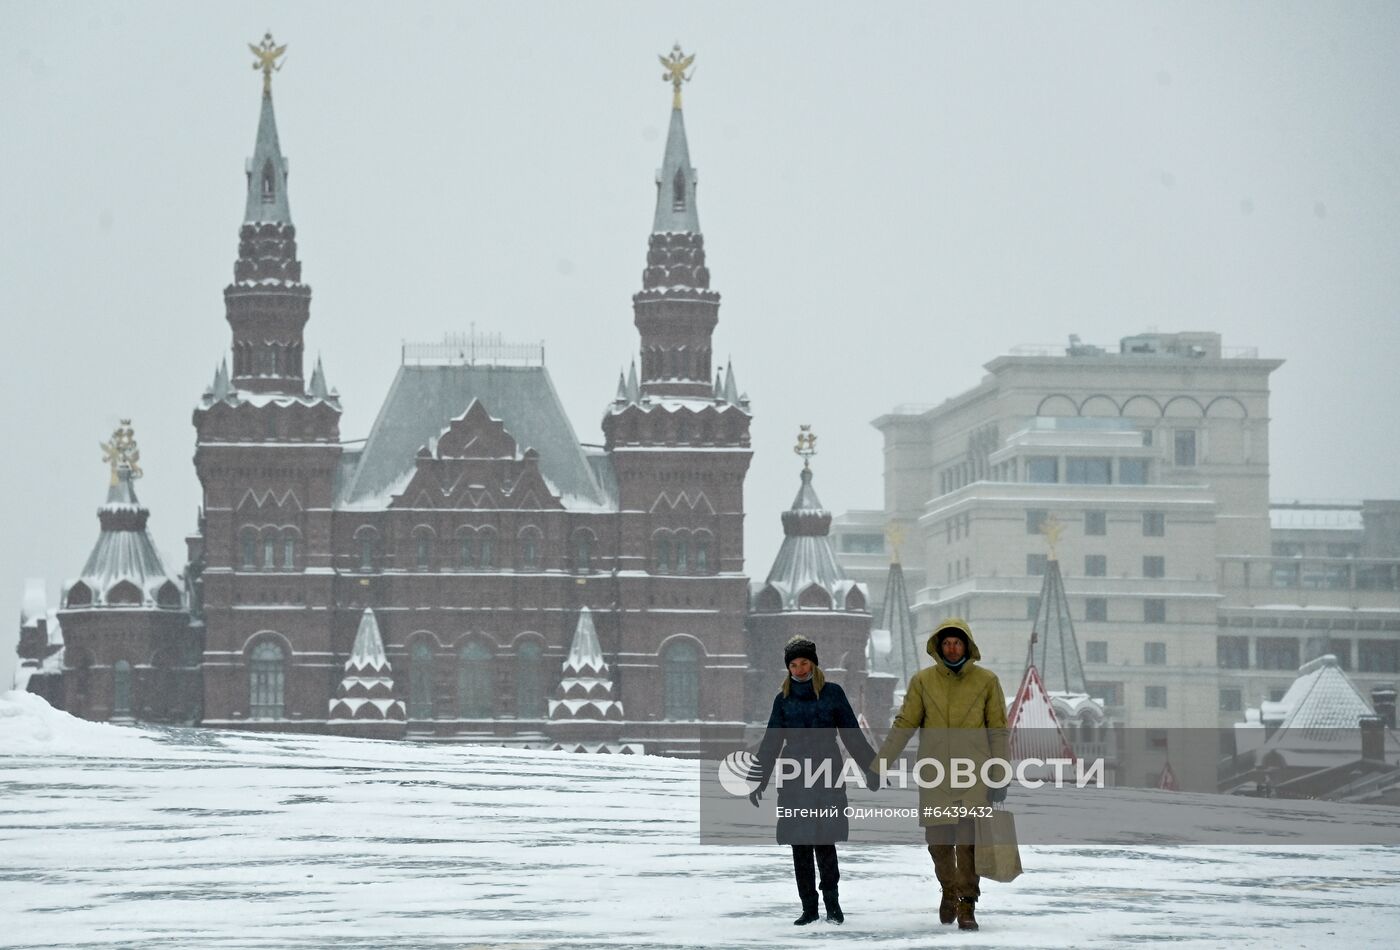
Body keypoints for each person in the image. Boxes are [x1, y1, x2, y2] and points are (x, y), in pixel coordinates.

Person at [871, 619, 1008, 932]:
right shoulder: (923, 681)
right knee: (939, 843)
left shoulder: (987, 681)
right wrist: (881, 764)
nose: (951, 648)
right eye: (946, 643)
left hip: (975, 774)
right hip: (934, 774)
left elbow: (998, 730)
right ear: (938, 647)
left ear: (967, 646)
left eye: (957, 643)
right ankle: (949, 889)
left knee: (968, 843)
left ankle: (967, 904)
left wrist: (999, 775)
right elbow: (905, 724)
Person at [749, 635, 879, 926]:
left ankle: (832, 904)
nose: (799, 669)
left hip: (827, 776)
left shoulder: (832, 693)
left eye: (804, 662)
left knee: (824, 841)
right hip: (795, 778)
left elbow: (851, 733)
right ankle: (809, 908)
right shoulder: (782, 700)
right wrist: (758, 779)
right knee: (800, 844)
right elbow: (771, 742)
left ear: (813, 663)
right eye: (793, 665)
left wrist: (871, 769)